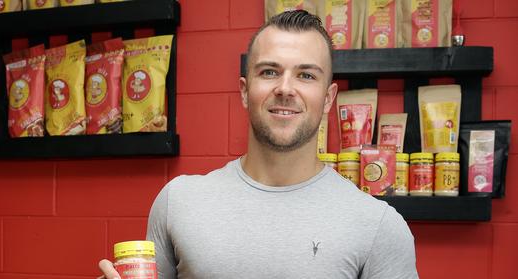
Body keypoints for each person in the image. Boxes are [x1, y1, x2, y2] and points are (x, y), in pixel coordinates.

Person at [99, 10, 418, 279]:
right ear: (243, 90)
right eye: (269, 72)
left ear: (328, 98)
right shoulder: (178, 203)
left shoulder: (378, 226)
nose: (285, 88)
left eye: (306, 76)